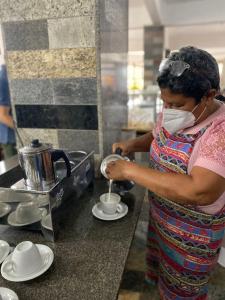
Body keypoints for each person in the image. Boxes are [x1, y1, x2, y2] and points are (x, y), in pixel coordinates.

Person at [106, 46, 225, 300]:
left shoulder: (220, 131)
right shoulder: (177, 112)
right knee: (164, 280)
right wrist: (132, 145)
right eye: (164, 102)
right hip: (162, 221)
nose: (168, 109)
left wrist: (129, 169)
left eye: (176, 104)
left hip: (193, 238)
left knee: (182, 292)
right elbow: (160, 135)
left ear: (208, 95)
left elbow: (200, 190)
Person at [0, 63, 16, 159]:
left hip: (11, 137)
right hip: (10, 139)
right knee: (16, 172)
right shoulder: (3, 79)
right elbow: (2, 115)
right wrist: (25, 131)